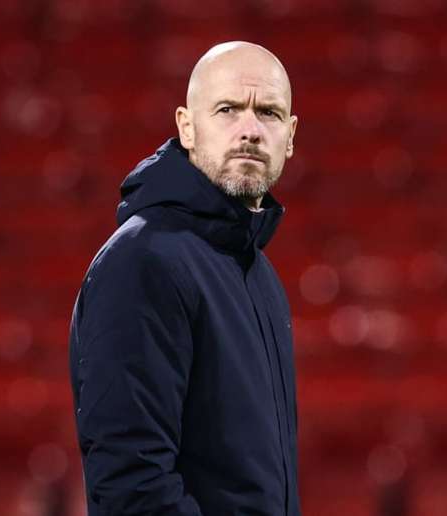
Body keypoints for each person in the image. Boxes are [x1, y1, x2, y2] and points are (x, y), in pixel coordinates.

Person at [68, 41, 301, 515]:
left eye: (270, 114)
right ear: (187, 128)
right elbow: (132, 487)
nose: (251, 130)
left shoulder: (258, 273)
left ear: (291, 136)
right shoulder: (142, 260)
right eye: (228, 109)